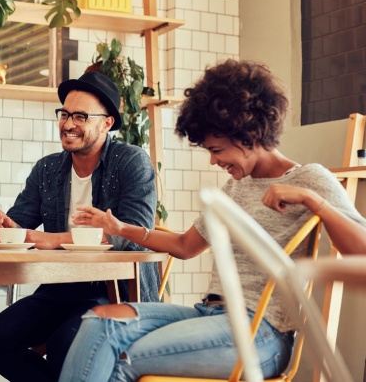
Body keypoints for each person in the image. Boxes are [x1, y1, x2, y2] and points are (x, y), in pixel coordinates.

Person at [58, 59, 366, 382]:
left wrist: (313, 201)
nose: (214, 160)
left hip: (260, 333)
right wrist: (120, 229)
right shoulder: (235, 187)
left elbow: (360, 250)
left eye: (217, 150)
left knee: (124, 359)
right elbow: (184, 245)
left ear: (249, 134)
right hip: (210, 313)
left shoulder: (308, 178)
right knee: (99, 322)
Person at [0, 71, 160, 381]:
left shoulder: (131, 162)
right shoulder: (48, 168)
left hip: (114, 292)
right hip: (58, 288)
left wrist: (53, 239)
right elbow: (20, 221)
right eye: (65, 114)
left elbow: (131, 234)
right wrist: (2, 229)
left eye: (80, 116)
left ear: (107, 123)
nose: (68, 124)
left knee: (67, 344)